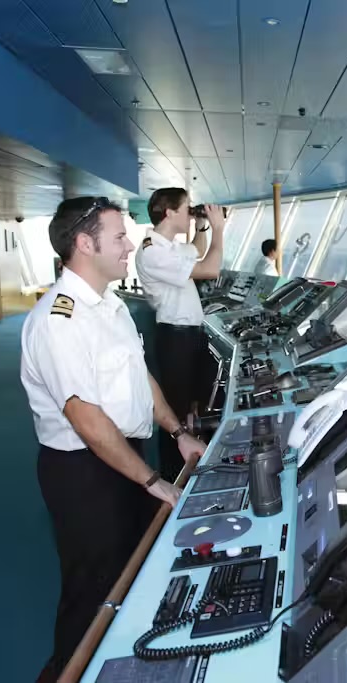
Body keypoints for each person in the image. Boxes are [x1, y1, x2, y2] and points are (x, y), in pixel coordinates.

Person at [20, 197, 207, 682]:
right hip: (83, 471)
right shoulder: (58, 320)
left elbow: (138, 378)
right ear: (85, 243)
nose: (130, 245)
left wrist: (179, 434)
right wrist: (151, 480)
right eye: (119, 236)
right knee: (93, 589)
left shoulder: (110, 305)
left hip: (124, 456)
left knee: (135, 571)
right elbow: (86, 419)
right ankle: (64, 672)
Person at [136, 188, 225, 482]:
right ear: (170, 212)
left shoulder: (169, 246)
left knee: (194, 408)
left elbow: (196, 251)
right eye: (187, 209)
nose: (190, 213)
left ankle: (193, 467)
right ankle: (174, 478)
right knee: (175, 410)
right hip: (175, 338)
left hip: (189, 335)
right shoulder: (153, 252)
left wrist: (201, 226)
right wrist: (219, 231)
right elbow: (210, 268)